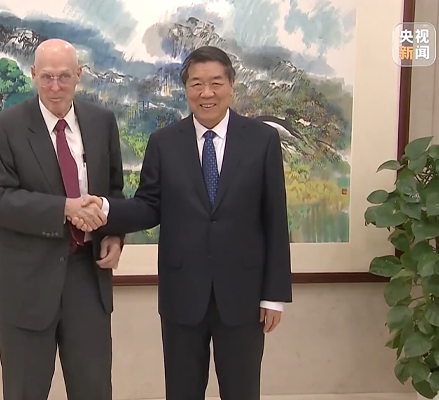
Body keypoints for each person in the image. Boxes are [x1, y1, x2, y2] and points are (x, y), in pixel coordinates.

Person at [73, 45, 293, 400]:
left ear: (231, 84)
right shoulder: (164, 143)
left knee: (242, 391)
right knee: (182, 391)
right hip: (182, 294)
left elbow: (275, 219)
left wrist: (274, 296)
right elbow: (148, 207)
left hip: (244, 295)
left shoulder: (262, 140)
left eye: (215, 83)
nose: (206, 93)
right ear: (186, 89)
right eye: (196, 84)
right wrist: (105, 209)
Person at [0, 38, 125, 400]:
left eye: (63, 77)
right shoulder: (5, 128)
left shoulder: (101, 123)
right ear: (33, 75)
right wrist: (64, 209)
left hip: (87, 278)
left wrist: (114, 235)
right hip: (28, 284)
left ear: (79, 75)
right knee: (24, 391)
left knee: (94, 390)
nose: (55, 87)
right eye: (46, 77)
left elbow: (114, 192)